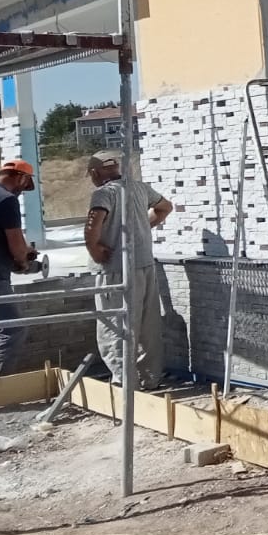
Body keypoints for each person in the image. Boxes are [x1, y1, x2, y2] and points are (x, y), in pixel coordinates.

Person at [83, 151, 172, 390]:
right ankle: (149, 378)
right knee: (147, 325)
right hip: (144, 265)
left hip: (115, 269)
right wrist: (143, 227)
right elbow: (165, 207)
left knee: (115, 325)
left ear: (95, 173)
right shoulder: (140, 188)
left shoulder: (104, 193)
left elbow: (93, 223)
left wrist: (94, 248)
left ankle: (125, 384)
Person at [0, 158, 40, 376]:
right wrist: (23, 261)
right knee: (12, 331)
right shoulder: (6, 200)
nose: (22, 191)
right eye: (25, 184)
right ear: (21, 178)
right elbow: (17, 246)